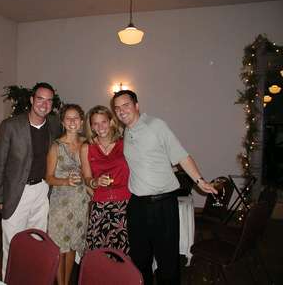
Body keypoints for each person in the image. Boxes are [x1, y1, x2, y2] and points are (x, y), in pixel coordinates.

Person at [111, 90, 217, 285]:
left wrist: (200, 181)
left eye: (125, 105)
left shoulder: (156, 125)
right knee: (140, 260)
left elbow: (181, 156)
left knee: (167, 261)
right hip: (137, 205)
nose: (121, 111)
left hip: (162, 204)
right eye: (117, 108)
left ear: (136, 105)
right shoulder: (126, 131)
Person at [0, 82, 61, 279]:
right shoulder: (10, 126)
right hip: (16, 193)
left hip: (42, 191)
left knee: (37, 241)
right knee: (13, 243)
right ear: (32, 100)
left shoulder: (54, 125)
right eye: (40, 99)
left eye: (49, 101)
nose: (44, 104)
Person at [46, 104, 90, 285]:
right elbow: (48, 177)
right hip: (60, 204)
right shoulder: (56, 146)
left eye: (76, 118)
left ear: (81, 122)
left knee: (71, 246)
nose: (72, 121)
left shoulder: (87, 144)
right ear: (63, 122)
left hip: (80, 203)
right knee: (59, 247)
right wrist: (65, 181)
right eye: (68, 118)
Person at [80, 105, 131, 254]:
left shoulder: (125, 144)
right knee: (99, 252)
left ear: (111, 122)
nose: (100, 127)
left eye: (103, 122)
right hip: (100, 205)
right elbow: (87, 178)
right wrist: (95, 182)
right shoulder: (87, 147)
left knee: (124, 251)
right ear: (91, 126)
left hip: (125, 204)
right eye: (95, 123)